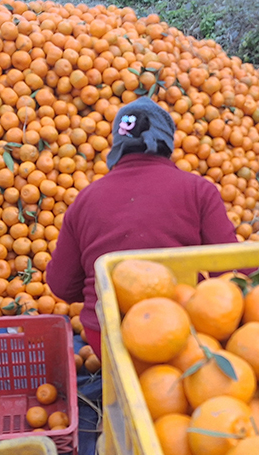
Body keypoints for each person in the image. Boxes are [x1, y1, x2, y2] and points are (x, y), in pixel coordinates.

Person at [47, 98, 238, 358]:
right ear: (167, 144)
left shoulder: (86, 198)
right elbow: (233, 271)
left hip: (105, 335)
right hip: (181, 332)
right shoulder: (198, 190)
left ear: (117, 146)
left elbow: (61, 286)